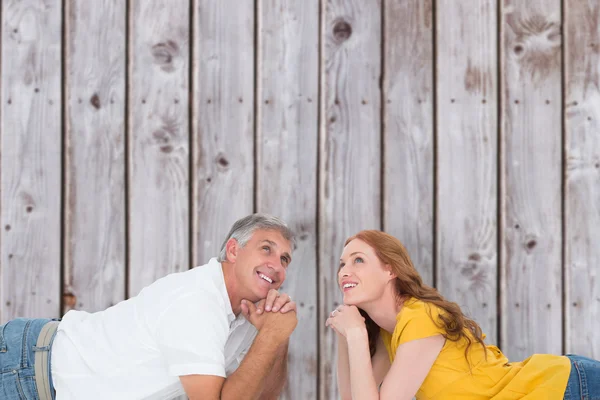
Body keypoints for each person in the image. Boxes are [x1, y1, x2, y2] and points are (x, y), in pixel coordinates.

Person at [0, 213, 299, 400]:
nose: (276, 265)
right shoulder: (197, 301)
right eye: (266, 249)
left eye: (284, 259)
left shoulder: (248, 316)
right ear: (234, 250)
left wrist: (276, 336)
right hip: (27, 369)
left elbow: (262, 395)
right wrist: (271, 335)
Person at [326, 229, 600, 400]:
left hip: (566, 387)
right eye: (342, 264)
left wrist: (355, 333)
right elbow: (353, 396)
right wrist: (345, 335)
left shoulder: (421, 317)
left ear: (390, 270)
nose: (344, 271)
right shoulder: (392, 333)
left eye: (358, 260)